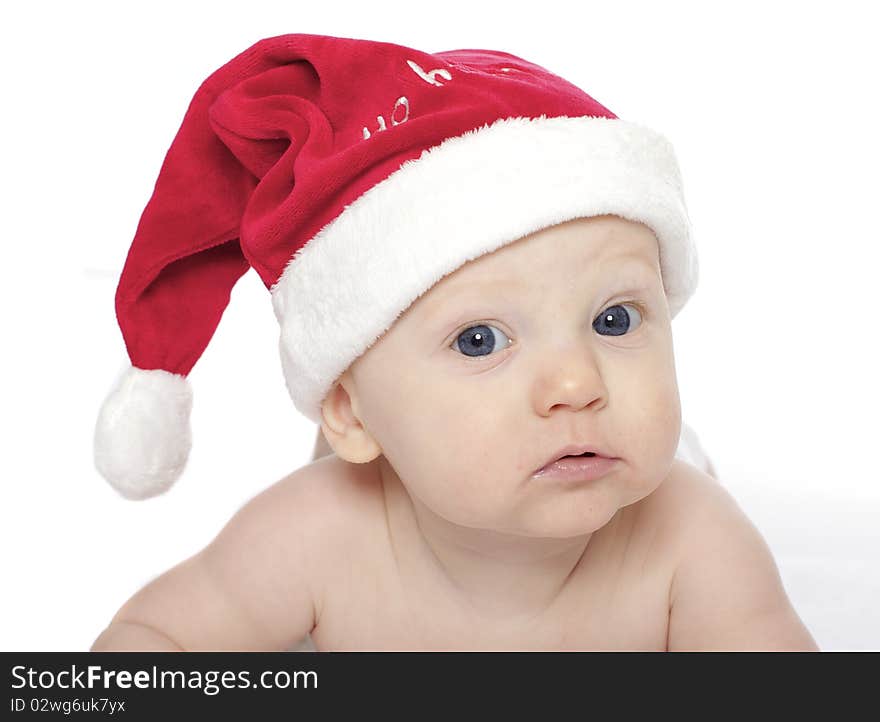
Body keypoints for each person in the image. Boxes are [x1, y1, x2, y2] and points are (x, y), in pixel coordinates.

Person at [90, 33, 818, 651]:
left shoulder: (692, 542)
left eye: (615, 320)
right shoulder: (315, 535)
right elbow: (154, 641)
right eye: (479, 340)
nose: (576, 381)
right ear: (350, 411)